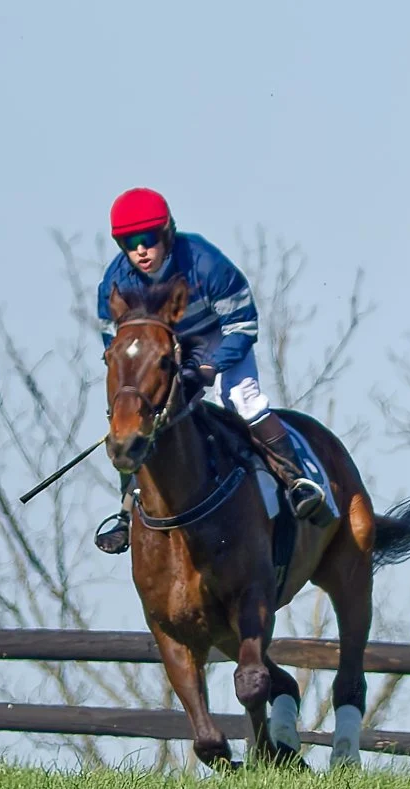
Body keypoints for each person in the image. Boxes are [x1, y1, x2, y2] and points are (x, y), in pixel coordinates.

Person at [91, 187, 326, 554]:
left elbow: (243, 324)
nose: (140, 251)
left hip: (218, 340)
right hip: (162, 353)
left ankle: (297, 481)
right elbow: (115, 342)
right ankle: (126, 513)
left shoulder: (205, 262)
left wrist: (207, 367)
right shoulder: (116, 281)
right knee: (134, 422)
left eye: (148, 239)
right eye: (129, 242)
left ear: (167, 233)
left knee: (241, 400)